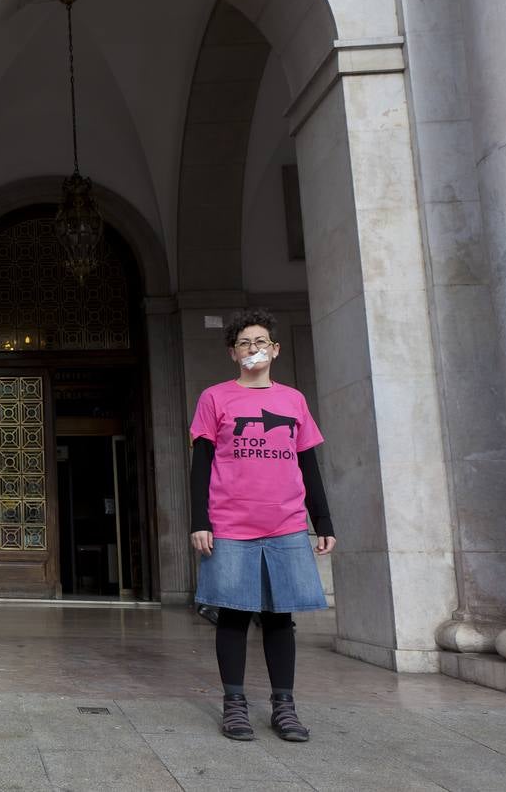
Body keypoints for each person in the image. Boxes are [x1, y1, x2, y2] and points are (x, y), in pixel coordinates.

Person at [190, 307, 335, 744]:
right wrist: (200, 521)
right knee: (233, 616)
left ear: (275, 349)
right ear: (233, 353)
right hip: (231, 524)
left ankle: (284, 707)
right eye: (244, 344)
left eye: (260, 342)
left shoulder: (293, 401)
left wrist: (322, 520)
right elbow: (201, 465)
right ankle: (234, 705)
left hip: (287, 523)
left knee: (279, 617)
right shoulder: (215, 398)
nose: (253, 349)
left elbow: (308, 463)